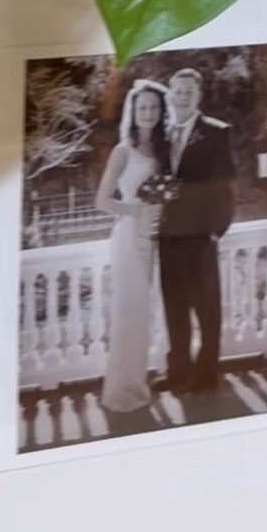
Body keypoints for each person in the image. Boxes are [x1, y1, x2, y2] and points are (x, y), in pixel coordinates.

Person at [158, 68, 235, 398]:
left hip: (200, 239)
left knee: (207, 312)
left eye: (190, 91)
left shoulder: (216, 133)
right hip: (167, 239)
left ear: (198, 95)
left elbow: (226, 188)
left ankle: (206, 376)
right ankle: (178, 373)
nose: (184, 96)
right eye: (178, 90)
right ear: (171, 94)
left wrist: (215, 232)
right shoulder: (161, 135)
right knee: (174, 310)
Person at [95, 79, 169, 414]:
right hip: (128, 237)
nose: (148, 113)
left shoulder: (162, 150)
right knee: (129, 314)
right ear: (133, 111)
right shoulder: (122, 151)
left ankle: (138, 379)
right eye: (143, 108)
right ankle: (122, 392)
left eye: (154, 107)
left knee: (146, 314)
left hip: (155, 237)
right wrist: (137, 210)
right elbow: (102, 200)